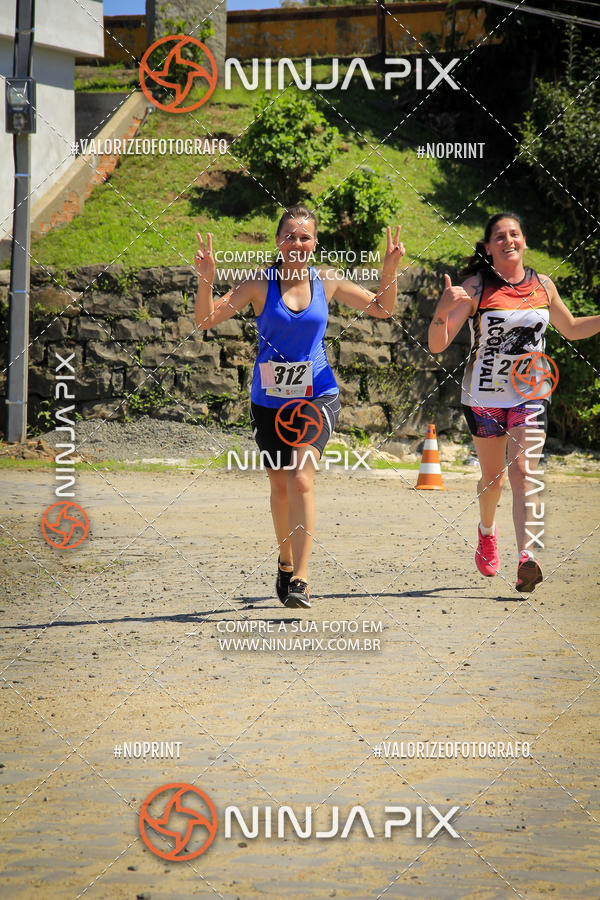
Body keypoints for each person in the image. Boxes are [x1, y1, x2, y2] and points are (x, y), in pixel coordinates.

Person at [194, 206, 405, 608]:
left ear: (315, 243)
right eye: (290, 236)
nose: (297, 243)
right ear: (278, 241)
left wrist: (389, 268)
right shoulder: (259, 284)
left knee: (301, 479)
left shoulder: (326, 280)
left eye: (305, 237)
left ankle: (302, 581)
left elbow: (382, 308)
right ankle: (286, 561)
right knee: (279, 486)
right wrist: (206, 281)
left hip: (316, 394)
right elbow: (206, 321)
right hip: (270, 401)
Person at [428, 211, 600, 592]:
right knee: (494, 480)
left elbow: (570, 329)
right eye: (500, 236)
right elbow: (437, 344)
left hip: (530, 395)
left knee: (523, 473)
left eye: (515, 234)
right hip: (484, 396)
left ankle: (527, 558)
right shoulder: (476, 288)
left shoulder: (544, 285)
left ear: (524, 241)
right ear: (488, 247)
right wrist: (442, 310)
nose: (509, 240)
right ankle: (487, 532)